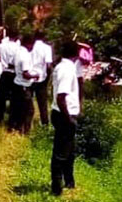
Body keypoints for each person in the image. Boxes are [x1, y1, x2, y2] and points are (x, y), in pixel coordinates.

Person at [50, 40, 81, 196]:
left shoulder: (64, 67)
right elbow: (61, 96)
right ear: (76, 53)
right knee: (61, 153)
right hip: (64, 113)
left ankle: (69, 181)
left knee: (69, 151)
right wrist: (68, 118)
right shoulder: (67, 70)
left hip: (62, 112)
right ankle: (56, 187)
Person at [11, 32, 38, 134]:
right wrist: (35, 76)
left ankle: (14, 128)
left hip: (16, 83)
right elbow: (25, 74)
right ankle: (24, 131)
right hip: (24, 86)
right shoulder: (25, 56)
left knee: (16, 109)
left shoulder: (18, 52)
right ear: (29, 44)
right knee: (28, 111)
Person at [0, 27, 19, 124]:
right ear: (17, 37)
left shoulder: (2, 46)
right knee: (14, 98)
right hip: (14, 74)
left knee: (1, 97)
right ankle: (12, 120)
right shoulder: (18, 48)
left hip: (4, 73)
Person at [31, 32, 54, 126]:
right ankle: (44, 122)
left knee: (29, 101)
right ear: (44, 38)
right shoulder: (47, 48)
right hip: (41, 77)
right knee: (42, 102)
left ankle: (27, 122)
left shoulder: (30, 47)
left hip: (29, 76)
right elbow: (48, 65)